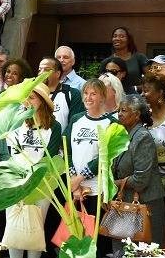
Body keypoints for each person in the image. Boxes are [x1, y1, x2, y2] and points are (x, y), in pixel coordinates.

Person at [5, 82, 61, 258]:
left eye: (32, 97)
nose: (27, 101)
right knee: (14, 226)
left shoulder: (54, 126)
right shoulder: (17, 121)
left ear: (42, 101)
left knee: (36, 228)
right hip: (17, 180)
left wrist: (34, 179)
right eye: (26, 97)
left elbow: (50, 157)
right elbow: (11, 152)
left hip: (42, 183)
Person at [66, 79, 116, 257]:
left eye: (93, 93)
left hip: (97, 189)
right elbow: (67, 150)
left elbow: (105, 156)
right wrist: (75, 181)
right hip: (76, 188)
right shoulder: (76, 119)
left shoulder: (110, 123)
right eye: (86, 93)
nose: (88, 97)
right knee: (77, 234)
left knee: (97, 238)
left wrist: (80, 178)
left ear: (102, 97)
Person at [113, 94, 165, 249]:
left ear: (136, 115)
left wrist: (114, 183)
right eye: (119, 110)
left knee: (142, 251)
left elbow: (140, 180)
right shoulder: (124, 134)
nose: (119, 114)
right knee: (123, 250)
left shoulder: (142, 137)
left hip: (145, 205)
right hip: (126, 203)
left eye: (124, 110)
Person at [38, 56, 84, 130]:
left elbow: (75, 124)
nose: (41, 73)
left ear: (58, 73)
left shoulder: (72, 94)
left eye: (47, 70)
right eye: (39, 70)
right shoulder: (32, 95)